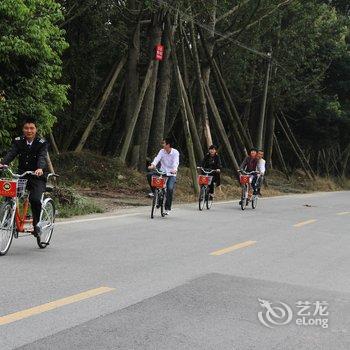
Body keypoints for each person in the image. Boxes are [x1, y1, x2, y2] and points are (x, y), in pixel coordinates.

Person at [0, 118, 48, 237]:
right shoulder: (18, 141)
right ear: (23, 129)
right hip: (22, 176)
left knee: (35, 199)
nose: (29, 130)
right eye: (26, 128)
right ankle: (8, 217)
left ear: (36, 129)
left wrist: (40, 168)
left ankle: (37, 225)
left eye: (32, 128)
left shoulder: (42, 143)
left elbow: (42, 157)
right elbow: (12, 153)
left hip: (37, 176)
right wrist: (3, 163)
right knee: (9, 191)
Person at [147, 138, 179, 215]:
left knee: (170, 189)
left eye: (164, 143)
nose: (162, 145)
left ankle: (167, 208)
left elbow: (176, 162)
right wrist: (152, 165)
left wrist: (174, 169)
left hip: (171, 174)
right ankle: (155, 192)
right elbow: (157, 159)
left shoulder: (175, 152)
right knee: (149, 175)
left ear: (168, 145)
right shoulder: (162, 151)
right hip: (162, 172)